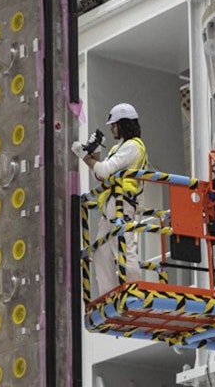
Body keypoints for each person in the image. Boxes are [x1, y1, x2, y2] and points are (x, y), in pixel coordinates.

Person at [72, 102, 148, 296]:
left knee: (122, 246)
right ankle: (111, 294)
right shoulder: (119, 148)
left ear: (123, 124)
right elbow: (101, 173)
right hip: (111, 206)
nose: (112, 128)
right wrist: (94, 154)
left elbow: (104, 170)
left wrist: (84, 157)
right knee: (100, 251)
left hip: (122, 203)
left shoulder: (133, 146)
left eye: (113, 125)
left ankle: (133, 291)